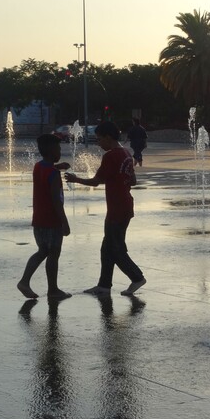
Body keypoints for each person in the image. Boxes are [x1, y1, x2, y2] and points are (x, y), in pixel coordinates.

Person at [65, 121, 146, 296]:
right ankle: (104, 285)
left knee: (115, 248)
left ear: (108, 137)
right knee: (108, 247)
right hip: (125, 205)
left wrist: (75, 179)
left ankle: (137, 277)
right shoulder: (126, 153)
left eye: (99, 139)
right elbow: (133, 181)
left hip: (117, 208)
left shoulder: (111, 156)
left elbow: (95, 181)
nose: (98, 143)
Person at [17, 134, 71, 300]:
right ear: (52, 150)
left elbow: (47, 171)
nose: (60, 151)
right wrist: (64, 222)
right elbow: (57, 200)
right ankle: (52, 289)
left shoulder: (39, 167)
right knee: (53, 253)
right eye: (59, 148)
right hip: (52, 220)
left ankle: (25, 282)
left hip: (39, 219)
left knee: (42, 251)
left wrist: (57, 167)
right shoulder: (53, 175)